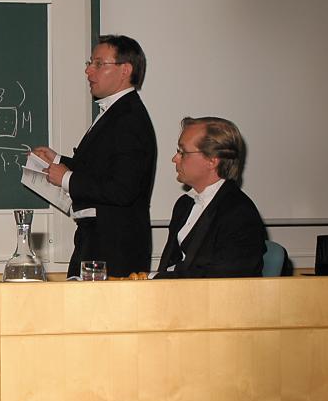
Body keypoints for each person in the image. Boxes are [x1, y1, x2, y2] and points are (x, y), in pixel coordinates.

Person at [33, 34, 157, 278]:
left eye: (99, 64)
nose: (89, 71)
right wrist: (58, 161)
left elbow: (123, 189)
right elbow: (102, 169)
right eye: (90, 63)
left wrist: (66, 178)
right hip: (96, 242)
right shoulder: (116, 111)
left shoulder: (129, 118)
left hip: (115, 249)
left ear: (125, 70)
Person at [153, 117, 265, 278]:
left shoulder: (239, 214)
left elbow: (222, 281)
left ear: (212, 161)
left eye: (182, 152)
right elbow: (170, 266)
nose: (175, 158)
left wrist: (152, 278)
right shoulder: (184, 204)